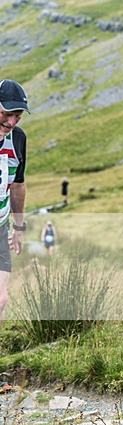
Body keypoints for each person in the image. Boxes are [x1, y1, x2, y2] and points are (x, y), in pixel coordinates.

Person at [0, 80, 29, 393]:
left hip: (1, 226)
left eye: (17, 116)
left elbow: (18, 184)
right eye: (6, 113)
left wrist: (19, 227)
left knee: (1, 299)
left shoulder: (18, 139)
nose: (11, 122)